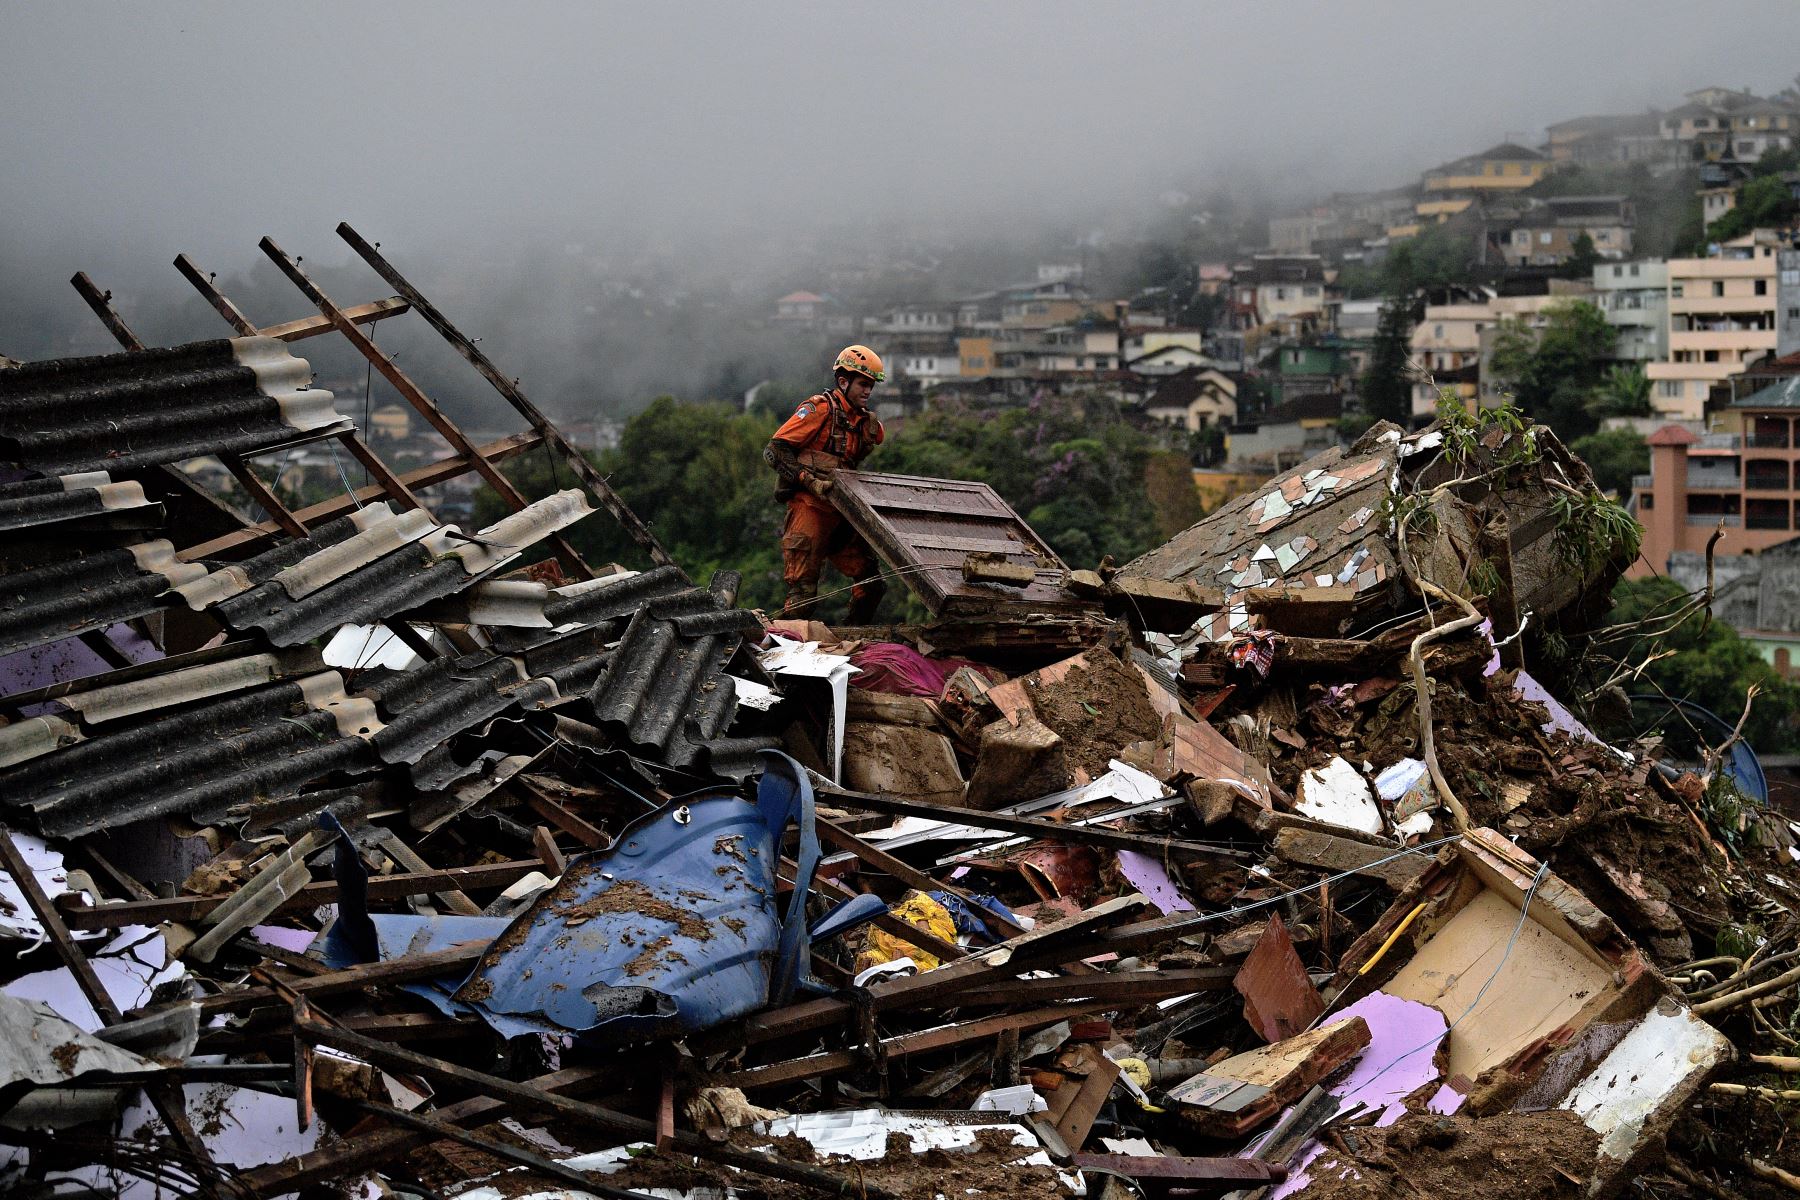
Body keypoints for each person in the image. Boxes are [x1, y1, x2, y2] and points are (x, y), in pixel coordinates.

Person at [764, 345, 889, 622]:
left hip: (843, 513)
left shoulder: (866, 424)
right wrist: (809, 481)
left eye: (871, 386)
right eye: (863, 384)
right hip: (809, 509)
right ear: (843, 382)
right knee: (803, 593)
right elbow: (775, 451)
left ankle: (855, 639)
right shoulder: (819, 409)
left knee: (871, 583)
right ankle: (787, 652)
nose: (868, 391)